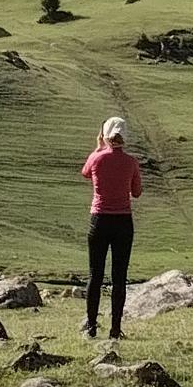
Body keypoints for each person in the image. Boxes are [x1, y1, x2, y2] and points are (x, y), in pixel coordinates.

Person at [80, 114, 140, 339]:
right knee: (119, 277)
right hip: (123, 221)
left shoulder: (97, 159)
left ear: (104, 135)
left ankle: (92, 326)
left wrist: (98, 148)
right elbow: (137, 192)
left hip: (99, 219)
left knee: (95, 275)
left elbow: (85, 173)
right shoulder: (131, 162)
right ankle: (115, 329)